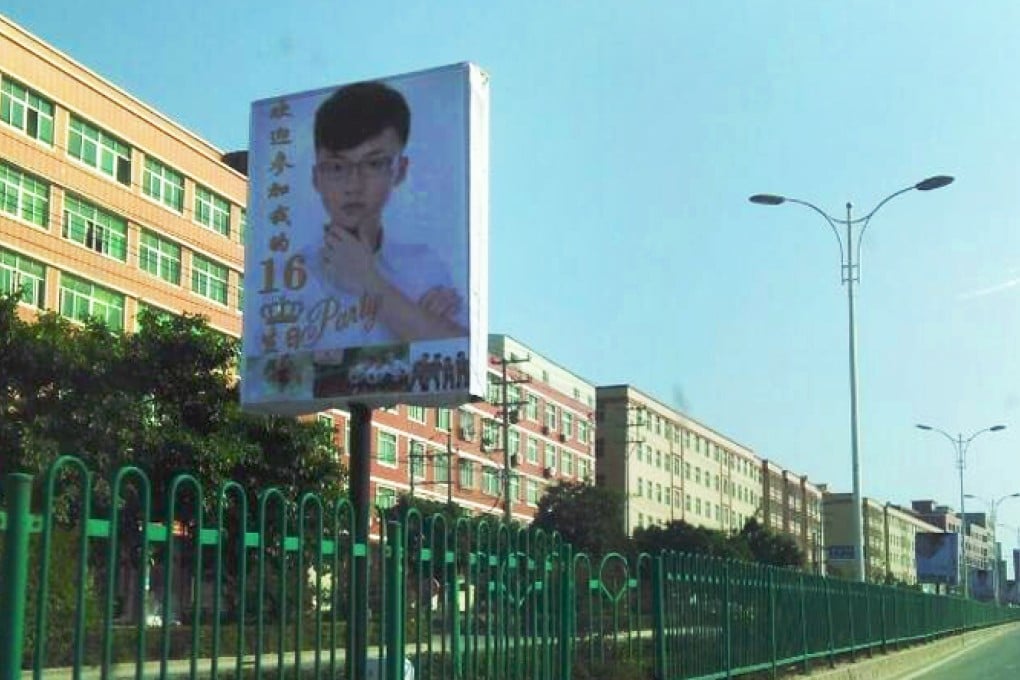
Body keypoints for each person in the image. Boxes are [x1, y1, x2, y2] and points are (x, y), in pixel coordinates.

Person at [305, 81, 467, 347]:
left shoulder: (424, 266)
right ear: (316, 177)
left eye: (374, 163)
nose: (353, 185)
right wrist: (417, 320)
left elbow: (460, 353)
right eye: (336, 167)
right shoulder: (287, 274)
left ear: (400, 170)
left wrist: (369, 282)